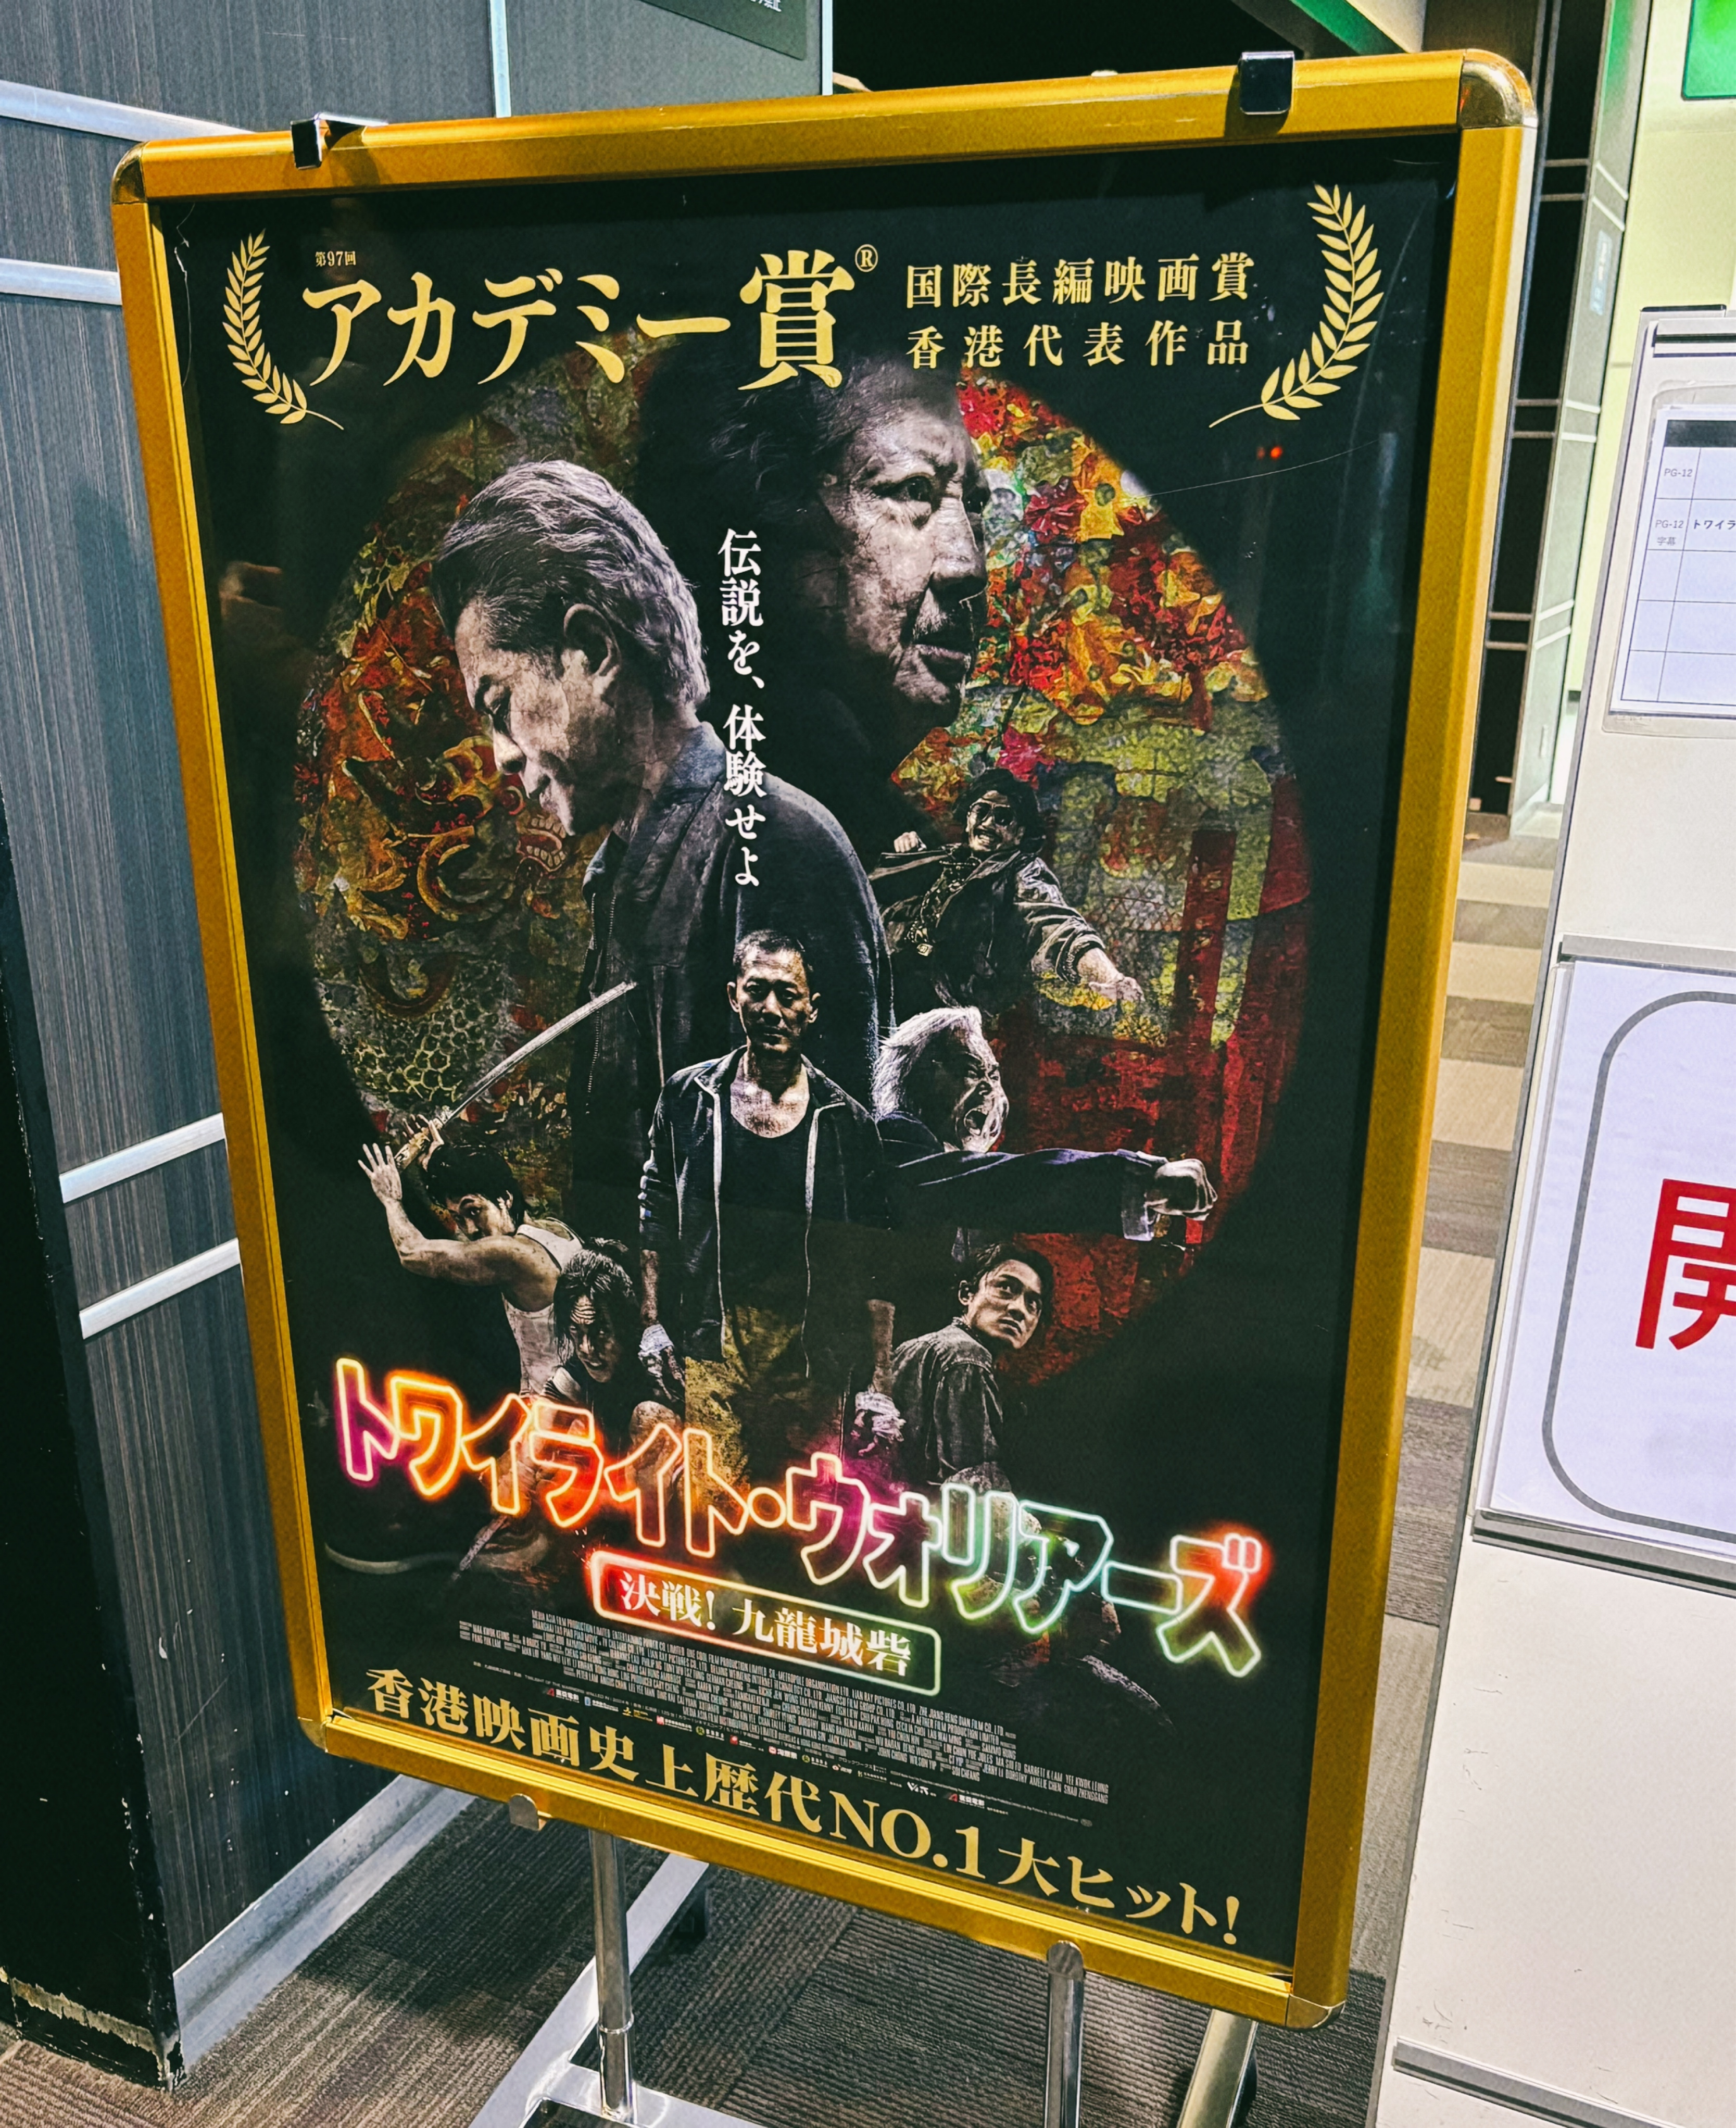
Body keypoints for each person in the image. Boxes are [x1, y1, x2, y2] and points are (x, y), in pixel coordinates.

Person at [427, 461, 892, 1233]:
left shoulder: (777, 845)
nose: (501, 756)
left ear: (591, 648)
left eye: (500, 705)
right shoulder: (624, 871)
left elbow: (836, 1186)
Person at [636, 342, 990, 860]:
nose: (969, 566)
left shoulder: (877, 837)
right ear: (770, 525)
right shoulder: (718, 832)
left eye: (975, 503)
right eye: (913, 490)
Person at [639, 931, 890, 1483]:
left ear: (811, 1008)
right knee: (712, 1512)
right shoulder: (689, 1097)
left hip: (812, 1352)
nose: (771, 1008)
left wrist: (879, 1383)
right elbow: (656, 1210)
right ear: (734, 996)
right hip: (716, 1337)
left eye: (787, 994)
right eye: (757, 990)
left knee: (806, 1519)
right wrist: (652, 1323)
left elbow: (877, 1257)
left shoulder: (846, 1122)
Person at [873, 1005, 1216, 1241]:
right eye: (969, 1070)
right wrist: (1136, 1180)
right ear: (919, 1075)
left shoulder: (971, 1210)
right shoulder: (898, 1136)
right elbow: (1000, 1185)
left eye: (994, 1076)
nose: (990, 1091)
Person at [880, 768, 1141, 1016]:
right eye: (982, 811)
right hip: (887, 972)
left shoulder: (1021, 871)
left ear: (1020, 833)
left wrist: (1110, 977)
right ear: (969, 817)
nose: (988, 823)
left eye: (1003, 818)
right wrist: (913, 860)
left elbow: (1057, 925)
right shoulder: (948, 857)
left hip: (936, 1001)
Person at [359, 1135, 584, 1394]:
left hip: (554, 1403)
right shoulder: (556, 1229)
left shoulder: (511, 1253)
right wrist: (443, 1161)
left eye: (474, 1211)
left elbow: (411, 1252)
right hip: (574, 1394)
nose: (470, 1229)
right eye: (458, 1218)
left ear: (505, 1198)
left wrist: (391, 1200)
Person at [879, 1240, 1055, 1490]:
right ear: (966, 1294)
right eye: (1006, 1288)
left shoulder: (919, 1347)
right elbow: (976, 1483)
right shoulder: (968, 1357)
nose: (1019, 1310)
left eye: (1033, 1304)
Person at [545, 1248, 681, 1458]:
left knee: (649, 1417)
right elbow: (531, 1445)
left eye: (600, 1332)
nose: (586, 1348)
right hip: (613, 1472)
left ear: (625, 1327)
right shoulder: (579, 1371)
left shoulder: (657, 1380)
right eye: (576, 1330)